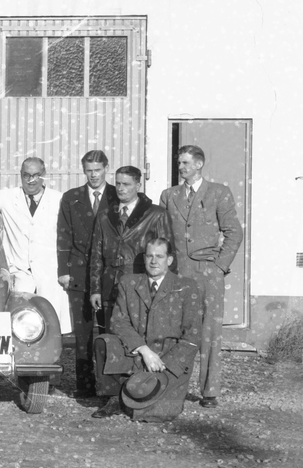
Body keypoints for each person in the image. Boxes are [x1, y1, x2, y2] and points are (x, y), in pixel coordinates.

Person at [159, 145, 244, 409]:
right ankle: (172, 385)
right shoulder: (169, 195)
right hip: (177, 272)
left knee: (209, 333)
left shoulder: (218, 192)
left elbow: (234, 232)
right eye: (179, 163)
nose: (181, 167)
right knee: (174, 329)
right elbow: (162, 234)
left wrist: (219, 266)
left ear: (199, 164)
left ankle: (209, 391)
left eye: (185, 163)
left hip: (208, 274)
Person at [91, 238, 203, 421]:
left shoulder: (186, 286)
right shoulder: (129, 283)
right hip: (136, 352)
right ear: (144, 258)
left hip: (168, 357)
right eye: (150, 256)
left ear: (169, 260)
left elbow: (193, 335)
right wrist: (144, 350)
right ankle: (114, 397)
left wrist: (165, 363)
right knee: (103, 342)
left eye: (159, 256)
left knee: (159, 411)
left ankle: (135, 396)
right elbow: (118, 322)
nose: (154, 261)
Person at [0, 157, 72, 335]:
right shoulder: (9, 197)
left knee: (51, 325)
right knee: (18, 323)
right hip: (20, 271)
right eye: (26, 175)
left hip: (49, 272)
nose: (31, 180)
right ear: (20, 175)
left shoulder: (59, 199)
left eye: (36, 175)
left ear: (44, 175)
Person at [56, 150, 118, 396]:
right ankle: (85, 385)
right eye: (89, 171)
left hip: (107, 273)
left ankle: (108, 385)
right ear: (83, 171)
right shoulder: (72, 198)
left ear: (106, 169)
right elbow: (64, 234)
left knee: (108, 330)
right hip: (80, 272)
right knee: (82, 334)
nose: (93, 175)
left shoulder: (117, 194)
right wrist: (64, 270)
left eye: (98, 170)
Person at [88, 166, 171, 326]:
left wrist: (164, 291)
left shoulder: (156, 214)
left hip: (142, 287)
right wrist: (95, 289)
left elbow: (167, 256)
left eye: (126, 184)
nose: (120, 188)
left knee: (139, 335)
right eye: (118, 183)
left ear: (138, 186)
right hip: (109, 289)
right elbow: (96, 256)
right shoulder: (104, 216)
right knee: (110, 335)